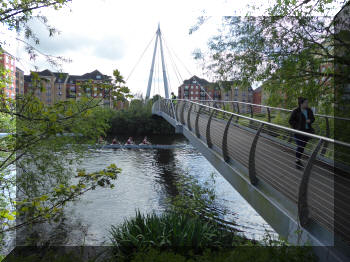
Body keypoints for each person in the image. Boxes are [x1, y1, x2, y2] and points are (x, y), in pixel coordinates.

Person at [288, 97, 315, 170]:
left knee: (302, 147)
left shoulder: (309, 110)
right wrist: (298, 125)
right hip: (298, 132)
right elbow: (291, 121)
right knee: (300, 146)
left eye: (307, 102)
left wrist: (310, 121)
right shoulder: (296, 111)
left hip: (307, 132)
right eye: (306, 103)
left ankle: (298, 159)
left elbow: (313, 118)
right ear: (301, 104)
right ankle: (297, 161)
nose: (307, 104)